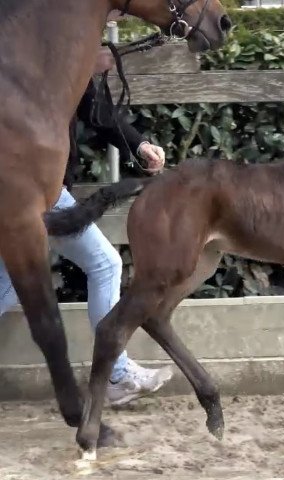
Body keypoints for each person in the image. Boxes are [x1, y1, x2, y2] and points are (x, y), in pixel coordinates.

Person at [0, 47, 173, 407]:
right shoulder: (41, 52)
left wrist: (138, 144)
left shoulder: (57, 48)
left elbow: (98, 112)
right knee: (104, 264)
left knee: (12, 284)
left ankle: (116, 375)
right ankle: (116, 375)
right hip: (36, 189)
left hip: (32, 188)